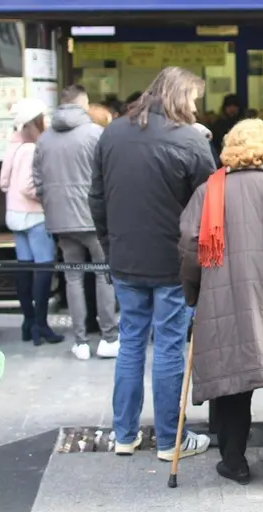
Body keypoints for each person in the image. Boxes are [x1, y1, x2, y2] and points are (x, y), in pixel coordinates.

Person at [90, 66, 216, 461]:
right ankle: (169, 439)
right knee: (169, 347)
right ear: (180, 96)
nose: (195, 106)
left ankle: (124, 434)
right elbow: (210, 207)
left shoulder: (112, 132)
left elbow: (97, 198)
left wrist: (111, 248)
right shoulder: (189, 140)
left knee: (130, 344)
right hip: (172, 263)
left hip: (127, 258)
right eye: (193, 98)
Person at [179, 119, 263, 484]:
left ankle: (234, 461)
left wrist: (193, 293)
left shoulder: (210, 191)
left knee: (235, 375)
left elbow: (191, 248)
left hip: (227, 292)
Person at [34, 85, 117, 361]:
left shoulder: (44, 139)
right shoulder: (96, 133)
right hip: (94, 219)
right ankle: (108, 337)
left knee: (73, 277)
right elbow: (110, 176)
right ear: (84, 104)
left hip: (60, 220)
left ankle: (80, 341)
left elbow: (38, 182)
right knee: (104, 275)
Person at [0, 98, 64, 346]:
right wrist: (48, 196)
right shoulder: (30, 149)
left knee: (24, 269)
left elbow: (4, 183)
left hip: (15, 216)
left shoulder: (12, 147)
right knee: (44, 269)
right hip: (34, 216)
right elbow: (30, 186)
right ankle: (41, 324)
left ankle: (28, 323)